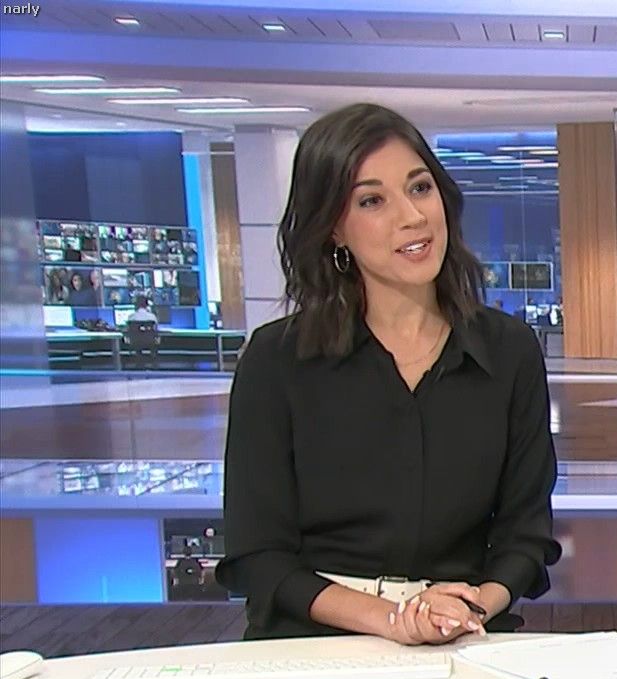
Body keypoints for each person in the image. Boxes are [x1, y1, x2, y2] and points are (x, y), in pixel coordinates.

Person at [216, 103, 561, 642]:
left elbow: (526, 536)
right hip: (316, 640)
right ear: (334, 227)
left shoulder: (510, 350)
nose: (412, 216)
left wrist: (463, 610)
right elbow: (258, 555)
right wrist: (395, 620)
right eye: (372, 200)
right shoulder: (275, 360)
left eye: (420, 188)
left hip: (464, 630)